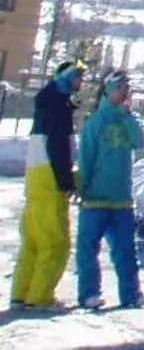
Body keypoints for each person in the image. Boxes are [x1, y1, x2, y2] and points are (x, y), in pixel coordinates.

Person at [8, 59, 83, 311]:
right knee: (55, 243)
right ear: (65, 78)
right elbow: (58, 147)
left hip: (36, 178)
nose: (80, 81)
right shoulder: (59, 108)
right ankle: (39, 297)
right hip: (50, 178)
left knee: (33, 242)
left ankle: (21, 293)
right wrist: (67, 181)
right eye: (77, 76)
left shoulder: (46, 103)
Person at [74, 71, 144, 311]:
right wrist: (81, 187)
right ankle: (89, 293)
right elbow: (86, 157)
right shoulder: (96, 121)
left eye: (127, 87)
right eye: (119, 87)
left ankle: (131, 293)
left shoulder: (129, 119)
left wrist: (127, 116)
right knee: (88, 248)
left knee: (126, 249)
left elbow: (141, 141)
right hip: (95, 199)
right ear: (107, 90)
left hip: (122, 199)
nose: (124, 91)